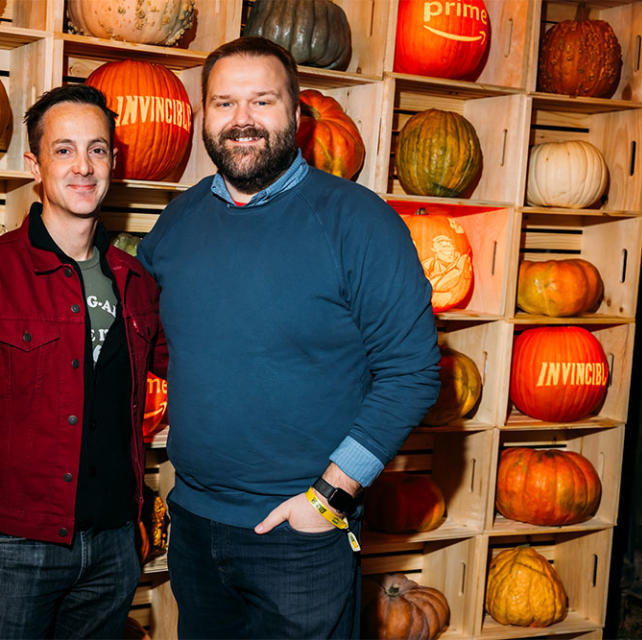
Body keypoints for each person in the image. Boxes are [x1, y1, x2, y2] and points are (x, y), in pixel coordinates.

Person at [137, 37, 441, 638]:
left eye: (262, 102)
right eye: (224, 104)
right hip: (194, 522)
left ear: (298, 116)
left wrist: (328, 498)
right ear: (204, 117)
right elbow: (166, 348)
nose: (242, 121)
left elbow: (411, 371)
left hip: (300, 532)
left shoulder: (358, 220)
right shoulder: (177, 223)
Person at [0, 84, 167, 639]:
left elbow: (196, 374)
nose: (84, 166)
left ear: (114, 162)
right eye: (64, 149)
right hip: (12, 552)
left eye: (98, 149)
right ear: (34, 164)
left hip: (114, 548)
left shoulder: (136, 282)